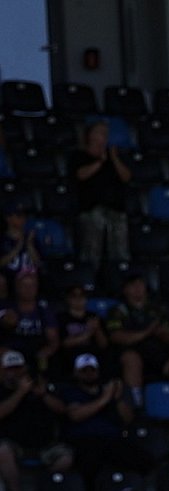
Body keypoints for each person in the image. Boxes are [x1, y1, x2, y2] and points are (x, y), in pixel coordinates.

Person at [60, 352, 150, 491]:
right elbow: (75, 415)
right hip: (84, 440)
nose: (89, 374)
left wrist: (118, 398)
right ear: (76, 373)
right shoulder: (70, 392)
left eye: (92, 370)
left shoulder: (110, 391)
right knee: (89, 461)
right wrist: (105, 398)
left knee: (143, 459)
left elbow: (127, 419)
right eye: (84, 370)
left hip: (112, 439)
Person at [0, 349, 72, 491]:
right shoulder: (2, 391)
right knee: (2, 450)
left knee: (66, 457)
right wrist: (20, 392)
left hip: (45, 445)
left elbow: (63, 410)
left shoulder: (41, 386)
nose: (14, 372)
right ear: (3, 371)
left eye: (18, 368)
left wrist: (43, 394)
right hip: (16, 445)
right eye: (10, 369)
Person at [105, 273, 169, 404]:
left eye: (141, 284)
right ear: (125, 290)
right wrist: (146, 332)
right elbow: (116, 336)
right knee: (131, 358)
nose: (138, 288)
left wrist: (162, 334)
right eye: (133, 285)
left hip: (158, 355)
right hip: (131, 354)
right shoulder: (118, 311)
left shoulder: (158, 310)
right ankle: (136, 404)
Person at [69, 120, 131, 277]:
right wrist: (100, 162)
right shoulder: (80, 156)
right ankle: (89, 277)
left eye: (106, 133)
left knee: (119, 247)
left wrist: (114, 158)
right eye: (100, 132)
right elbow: (80, 175)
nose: (104, 136)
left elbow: (126, 177)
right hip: (91, 209)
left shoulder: (114, 157)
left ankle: (120, 276)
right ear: (90, 135)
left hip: (115, 209)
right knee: (92, 246)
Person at [1, 272, 59, 373]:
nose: (28, 289)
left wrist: (46, 351)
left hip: (36, 351)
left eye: (32, 286)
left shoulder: (44, 310)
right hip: (11, 352)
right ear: (17, 287)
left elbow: (53, 339)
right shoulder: (7, 307)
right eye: (24, 286)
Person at [54, 283, 109, 379]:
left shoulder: (94, 317)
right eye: (74, 296)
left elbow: (103, 344)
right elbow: (65, 343)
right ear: (68, 299)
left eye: (82, 295)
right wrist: (89, 333)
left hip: (93, 354)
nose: (78, 299)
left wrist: (97, 329)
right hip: (70, 356)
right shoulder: (61, 318)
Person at [0, 202, 42, 281]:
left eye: (24, 215)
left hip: (29, 282)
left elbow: (38, 263)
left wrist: (30, 246)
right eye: (19, 215)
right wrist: (17, 248)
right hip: (9, 280)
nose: (23, 218)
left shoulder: (31, 237)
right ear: (8, 218)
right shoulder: (2, 239)